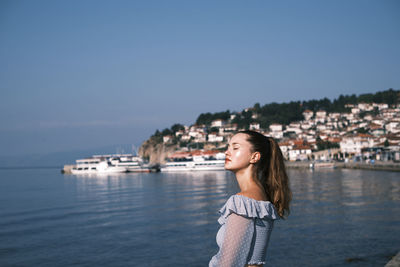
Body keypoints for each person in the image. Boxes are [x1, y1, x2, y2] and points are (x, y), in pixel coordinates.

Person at [209, 130, 292, 267]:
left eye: (235, 148)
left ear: (254, 157)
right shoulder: (260, 197)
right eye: (228, 147)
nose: (227, 152)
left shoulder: (243, 202)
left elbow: (228, 264)